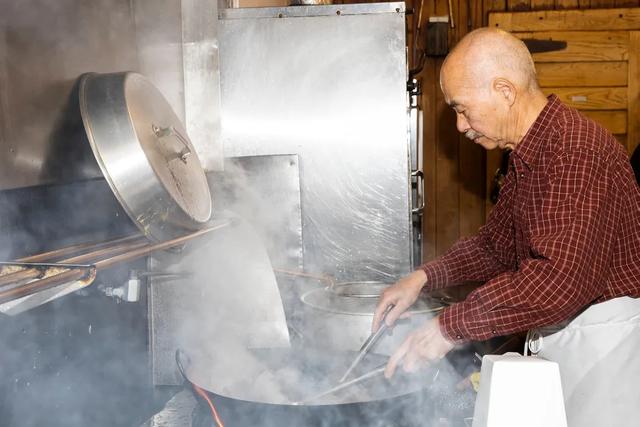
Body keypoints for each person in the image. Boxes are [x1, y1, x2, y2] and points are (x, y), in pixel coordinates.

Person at [373, 28, 640, 427]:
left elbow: (558, 281)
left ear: (505, 91)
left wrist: (448, 329)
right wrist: (422, 277)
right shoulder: (531, 153)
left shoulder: (575, 150)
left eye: (462, 108)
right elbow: (495, 247)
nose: (460, 125)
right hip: (571, 343)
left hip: (608, 354)